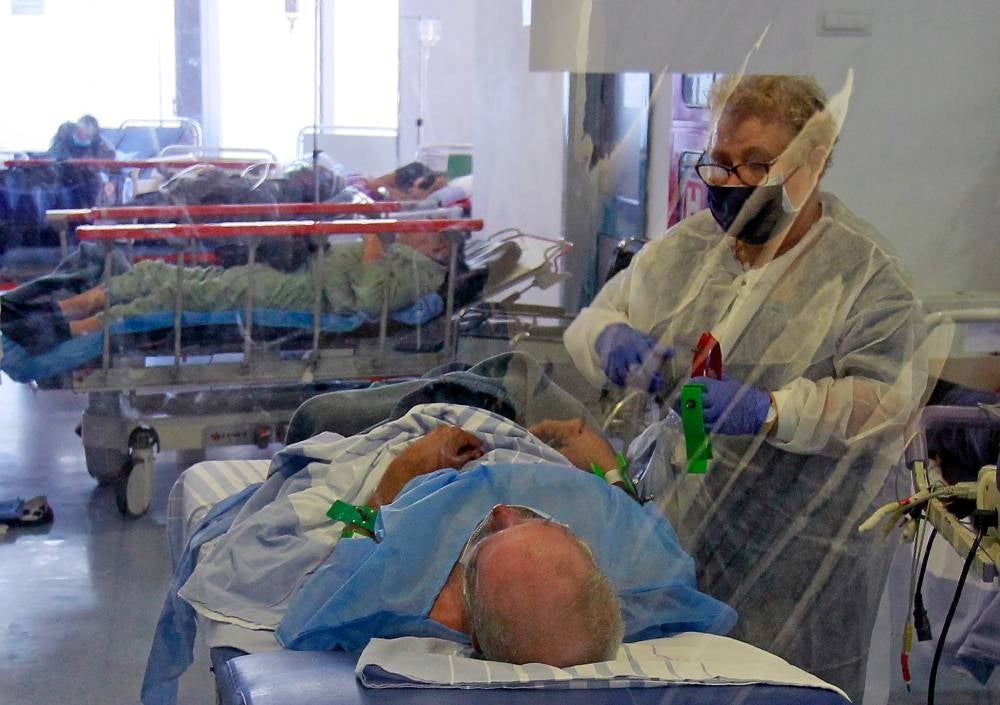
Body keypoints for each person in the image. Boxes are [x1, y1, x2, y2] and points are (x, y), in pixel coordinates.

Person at [564, 74, 927, 700]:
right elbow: (595, 318)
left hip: (802, 553)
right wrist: (609, 342)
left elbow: (887, 404)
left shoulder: (866, 275)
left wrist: (774, 410)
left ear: (814, 164)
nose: (732, 181)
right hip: (679, 535)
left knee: (784, 689)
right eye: (722, 162)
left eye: (758, 165)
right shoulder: (686, 251)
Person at [143, 403, 734, 705]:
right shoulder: (642, 580)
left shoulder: (397, 593)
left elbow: (311, 599)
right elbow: (633, 510)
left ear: (460, 613)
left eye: (486, 539)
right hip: (521, 433)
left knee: (318, 418)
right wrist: (603, 466)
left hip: (415, 440)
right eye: (540, 523)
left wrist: (396, 479)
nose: (504, 510)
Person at [0, 230, 450, 354]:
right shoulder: (400, 254)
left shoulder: (421, 271)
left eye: (420, 226)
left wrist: (369, 238)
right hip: (282, 278)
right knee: (156, 272)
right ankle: (53, 310)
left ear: (439, 243)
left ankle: (57, 331)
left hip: (298, 298)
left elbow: (369, 302)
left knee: (172, 298)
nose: (407, 226)